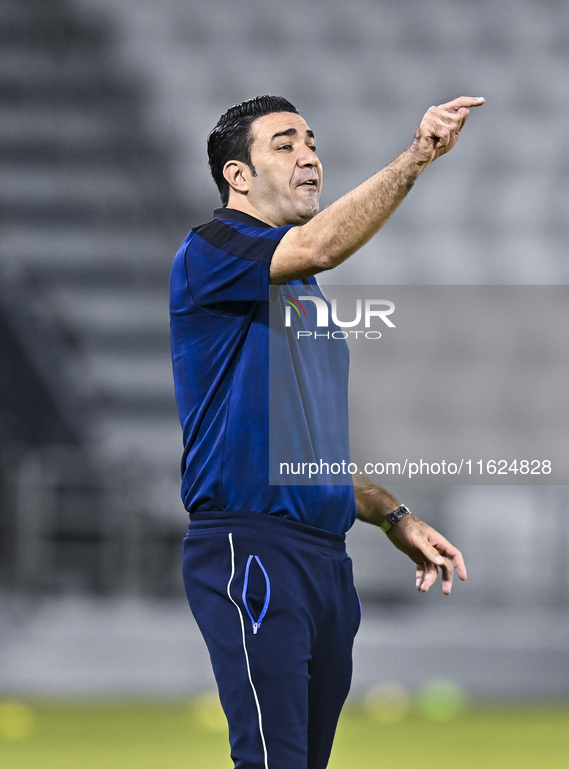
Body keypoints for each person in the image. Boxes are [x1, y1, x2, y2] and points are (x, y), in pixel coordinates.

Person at [169, 94, 484, 769]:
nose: (309, 154)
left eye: (310, 140)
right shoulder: (211, 248)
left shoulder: (307, 298)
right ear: (238, 176)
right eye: (284, 143)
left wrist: (393, 514)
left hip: (323, 557)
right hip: (251, 540)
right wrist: (416, 157)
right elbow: (321, 245)